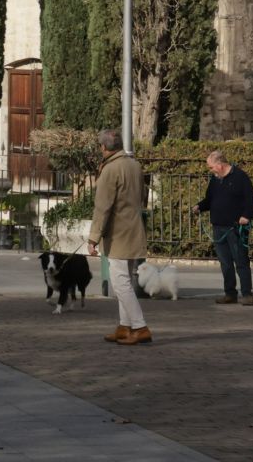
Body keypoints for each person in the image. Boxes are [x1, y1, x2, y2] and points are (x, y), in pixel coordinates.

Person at [86, 127, 150, 346]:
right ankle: (124, 327)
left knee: (120, 282)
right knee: (126, 280)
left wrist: (93, 237)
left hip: (118, 233)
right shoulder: (134, 165)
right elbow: (142, 196)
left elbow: (102, 206)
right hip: (134, 228)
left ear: (103, 147)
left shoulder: (110, 170)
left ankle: (140, 326)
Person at [197, 149, 253, 305]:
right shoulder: (215, 180)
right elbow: (210, 199)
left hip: (235, 228)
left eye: (211, 167)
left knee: (241, 261)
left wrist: (246, 216)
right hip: (218, 227)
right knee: (225, 263)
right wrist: (199, 206)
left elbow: (251, 201)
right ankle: (230, 293)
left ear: (220, 164)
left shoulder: (240, 177)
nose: (210, 170)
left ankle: (247, 294)